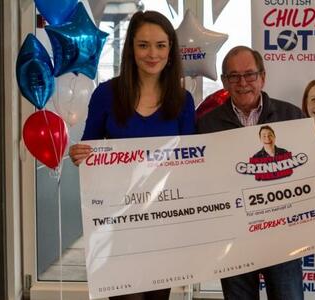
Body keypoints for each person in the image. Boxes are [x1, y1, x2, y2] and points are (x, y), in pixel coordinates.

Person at [197, 45, 315, 300]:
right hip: (234, 239)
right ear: (224, 82)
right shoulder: (207, 125)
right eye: (234, 76)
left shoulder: (291, 115)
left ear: (263, 77)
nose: (243, 83)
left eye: (250, 75)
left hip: (283, 236)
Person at [69, 10, 195, 300]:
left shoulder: (183, 100)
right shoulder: (105, 94)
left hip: (164, 220)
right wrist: (80, 154)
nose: (153, 54)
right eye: (143, 45)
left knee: (157, 297)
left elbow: (190, 161)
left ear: (171, 50)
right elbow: (90, 149)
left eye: (161, 45)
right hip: (117, 221)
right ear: (131, 49)